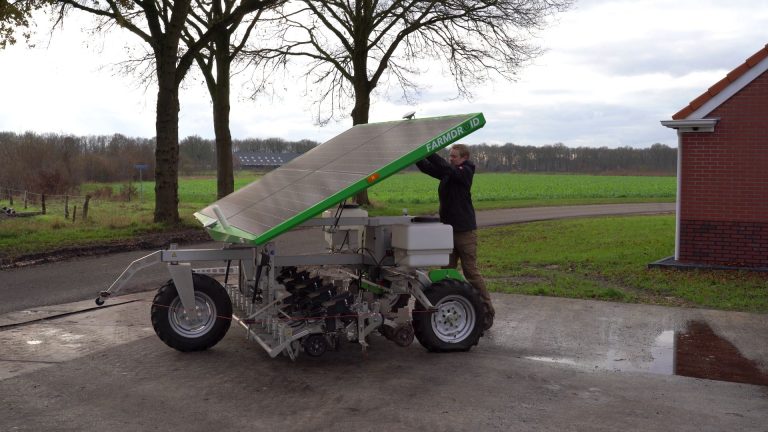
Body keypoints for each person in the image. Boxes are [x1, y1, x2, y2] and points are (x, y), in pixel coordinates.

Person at [416, 144, 495, 330]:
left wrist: (428, 151)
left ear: (463, 158)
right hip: (448, 231)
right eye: (449, 156)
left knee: (470, 272)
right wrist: (417, 156)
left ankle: (487, 310)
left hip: (465, 232)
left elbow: (445, 167)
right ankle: (451, 304)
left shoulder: (466, 172)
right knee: (447, 272)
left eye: (454, 156)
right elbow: (430, 168)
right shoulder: (449, 173)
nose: (450, 158)